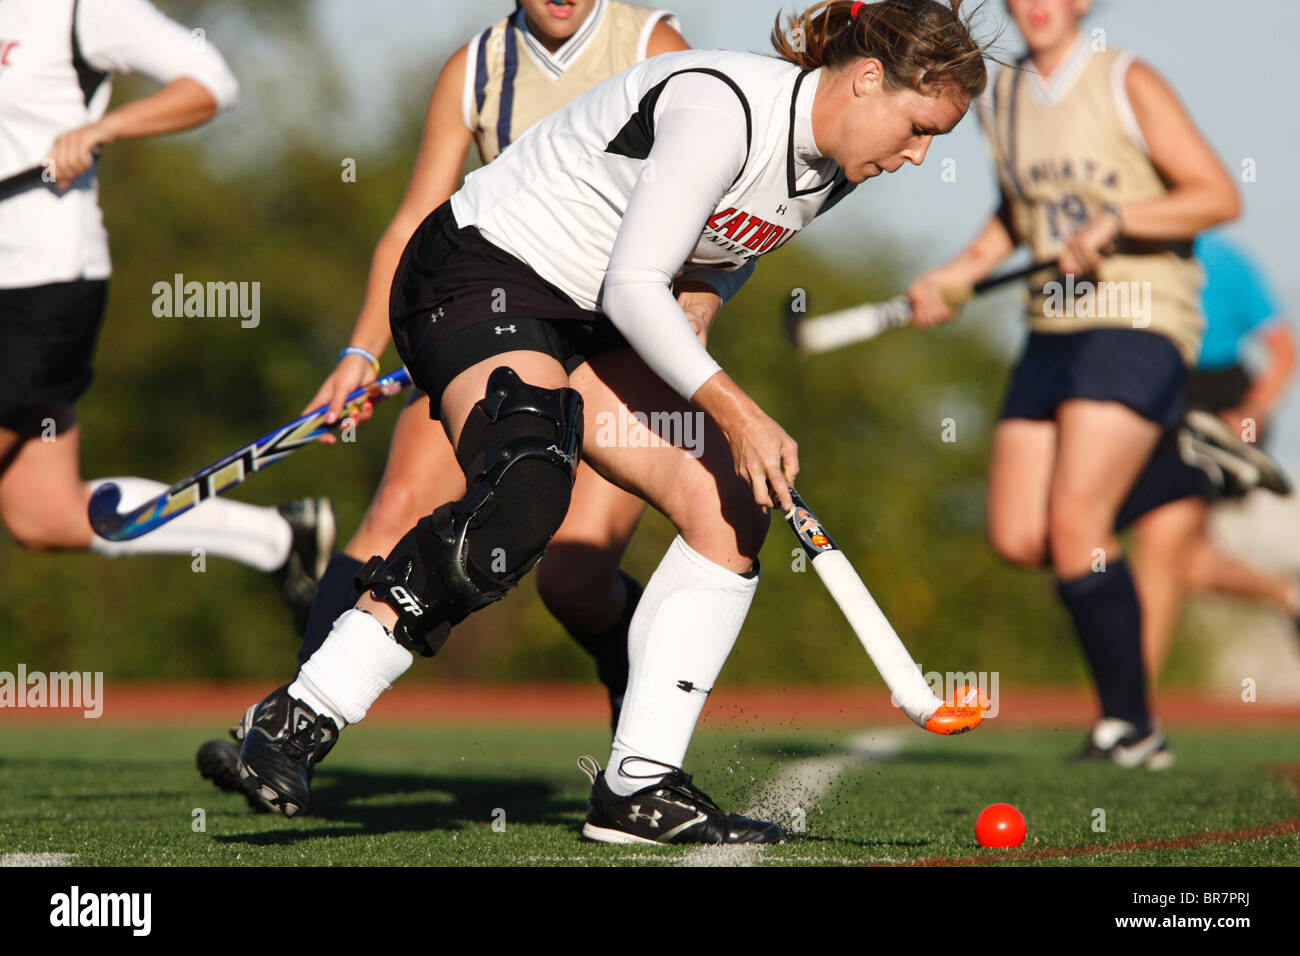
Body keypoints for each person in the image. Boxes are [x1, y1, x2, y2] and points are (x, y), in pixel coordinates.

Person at [232, 0, 988, 844]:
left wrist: (704, 295)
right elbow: (634, 283)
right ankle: (300, 715)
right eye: (920, 128)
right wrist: (733, 406)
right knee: (526, 487)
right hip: (482, 272)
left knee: (732, 504)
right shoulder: (723, 110)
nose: (919, 154)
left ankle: (639, 788)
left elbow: (723, 250)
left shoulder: (837, 165)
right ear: (867, 79)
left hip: (593, 319)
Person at [196, 0, 690, 804]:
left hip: (613, 336)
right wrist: (360, 352)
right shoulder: (477, 68)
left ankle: (635, 714)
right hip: (494, 317)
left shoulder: (651, 45)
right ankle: (286, 733)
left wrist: (684, 318)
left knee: (573, 576)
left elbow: (701, 212)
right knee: (392, 513)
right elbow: (415, 222)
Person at [907, 0, 1240, 768]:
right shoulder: (1001, 93)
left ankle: (1132, 727)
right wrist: (959, 274)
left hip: (1138, 317)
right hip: (1050, 324)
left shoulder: (1125, 79)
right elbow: (1019, 213)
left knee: (1077, 527)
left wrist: (1120, 220)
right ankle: (1172, 470)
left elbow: (1217, 195)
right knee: (1022, 534)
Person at [0, 0, 334, 624]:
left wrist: (104, 129)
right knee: (42, 515)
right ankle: (277, 539)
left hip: (43, 283)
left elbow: (211, 82)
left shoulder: (78, 9)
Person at [1130, 231, 1298, 677]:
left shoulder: (1225, 260)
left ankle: (1131, 706)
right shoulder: (1122, 252)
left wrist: (1251, 414)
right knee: (1178, 560)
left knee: (1158, 542)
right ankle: (1287, 594)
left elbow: (1282, 349)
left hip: (1214, 407)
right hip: (1149, 397)